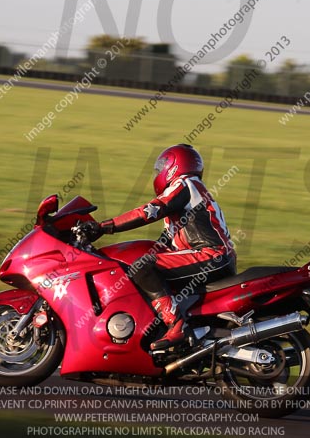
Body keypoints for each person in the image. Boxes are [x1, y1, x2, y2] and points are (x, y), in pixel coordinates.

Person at [81, 144, 236, 350]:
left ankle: (176, 324)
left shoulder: (185, 184)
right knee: (146, 266)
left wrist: (105, 227)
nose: (159, 172)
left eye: (162, 166)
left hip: (209, 255)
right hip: (213, 257)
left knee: (144, 267)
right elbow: (163, 243)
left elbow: (150, 211)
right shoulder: (191, 196)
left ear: (174, 165)